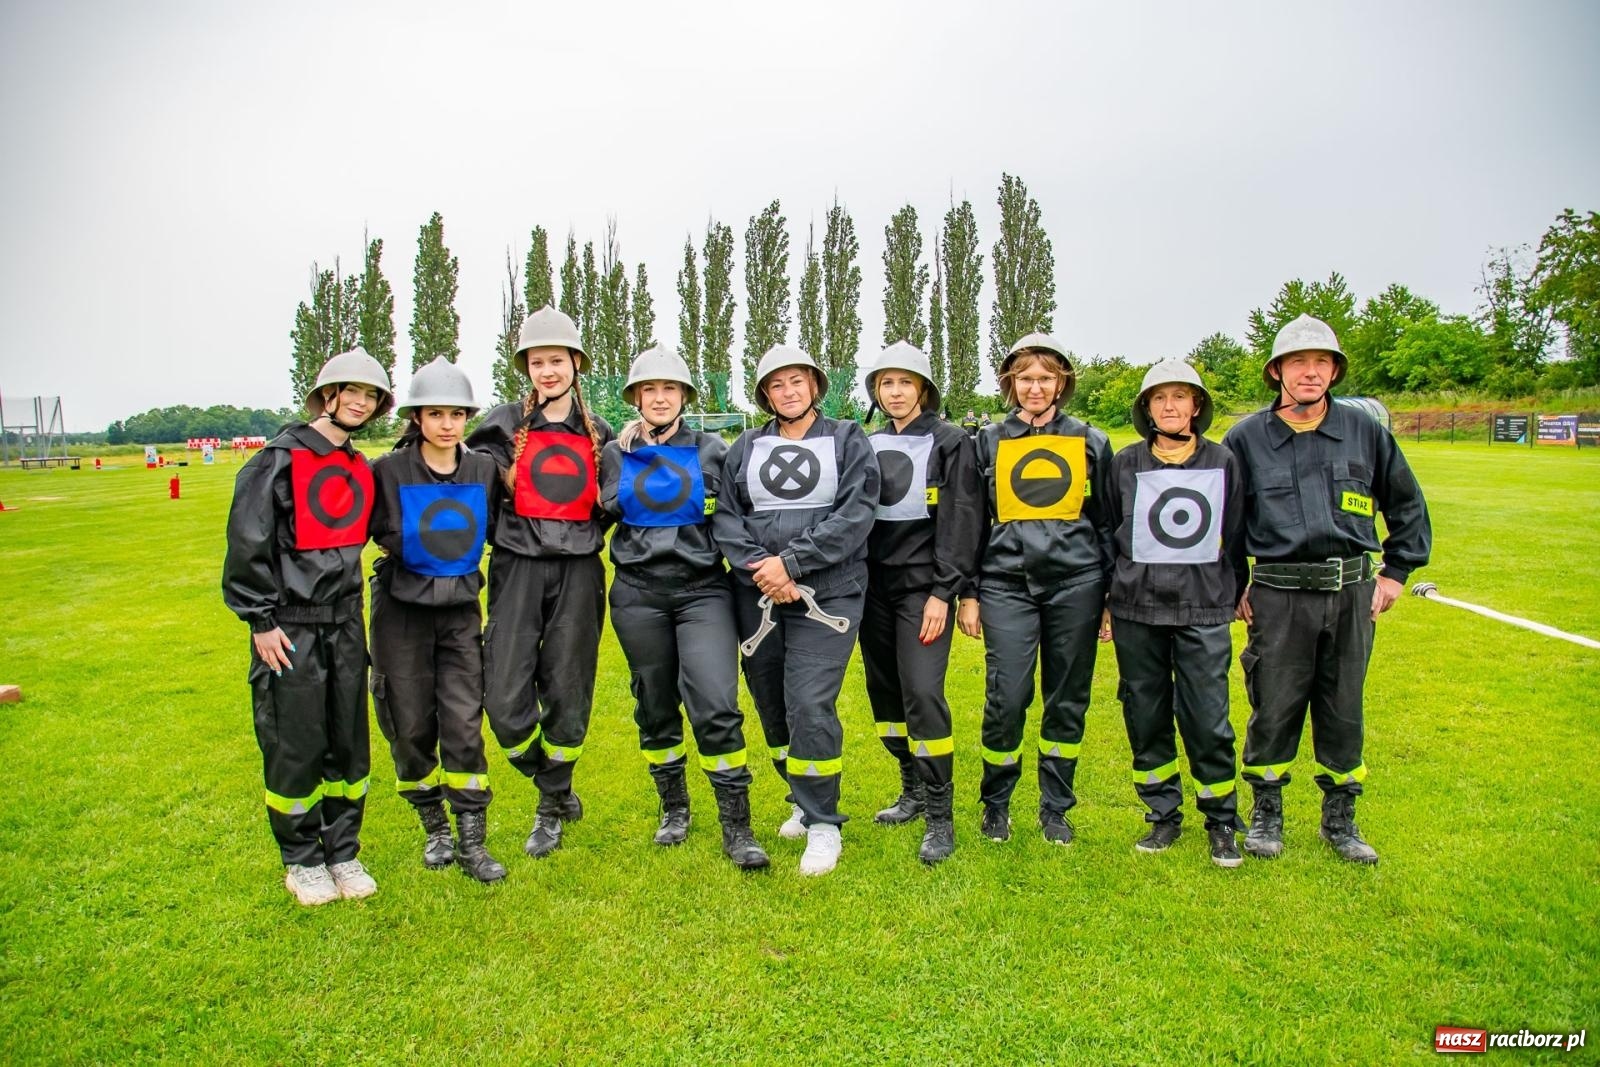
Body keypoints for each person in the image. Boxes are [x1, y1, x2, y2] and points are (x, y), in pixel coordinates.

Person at [1223, 314, 1431, 865]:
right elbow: (1225, 523)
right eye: (1299, 362)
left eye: (1321, 363)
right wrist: (1236, 585)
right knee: (1273, 705)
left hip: (1349, 595)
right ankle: (1267, 812)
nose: (1311, 372)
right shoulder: (1246, 439)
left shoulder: (1365, 431)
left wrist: (1395, 572)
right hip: (1278, 595)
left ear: (1334, 370)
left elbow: (1406, 504)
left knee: (1342, 707)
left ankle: (1340, 817)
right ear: (1278, 372)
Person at [222, 347, 392, 905]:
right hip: (289, 626)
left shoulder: (358, 467)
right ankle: (301, 859)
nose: (361, 403)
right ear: (328, 396)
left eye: (371, 396)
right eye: (353, 392)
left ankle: (342, 851)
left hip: (344, 624)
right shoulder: (276, 461)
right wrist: (261, 619)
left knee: (347, 741)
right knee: (295, 742)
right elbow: (249, 545)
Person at [599, 345, 769, 870]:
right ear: (635, 398)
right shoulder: (616, 452)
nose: (658, 397)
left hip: (702, 593)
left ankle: (737, 827)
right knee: (653, 705)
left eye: (668, 389)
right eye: (648, 390)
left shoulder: (714, 449)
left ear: (684, 397)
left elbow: (743, 515)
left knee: (716, 703)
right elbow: (600, 511)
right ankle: (674, 808)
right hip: (637, 593)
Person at [712, 345, 879, 876]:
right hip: (758, 593)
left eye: (797, 381)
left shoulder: (849, 439)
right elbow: (727, 519)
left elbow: (856, 514)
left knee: (810, 701)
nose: (788, 391)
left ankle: (824, 822)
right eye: (777, 384)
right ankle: (800, 801)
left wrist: (794, 563)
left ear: (814, 385)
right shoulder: (746, 446)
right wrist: (765, 567)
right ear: (765, 394)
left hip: (828, 593)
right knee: (770, 701)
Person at [465, 306, 614, 859]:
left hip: (578, 571)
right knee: (503, 700)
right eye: (537, 361)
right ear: (526, 367)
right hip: (516, 569)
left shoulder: (599, 433)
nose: (547, 371)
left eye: (556, 360)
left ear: (576, 363)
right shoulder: (502, 426)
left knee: (567, 688)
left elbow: (618, 501)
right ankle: (551, 778)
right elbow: (457, 481)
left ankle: (550, 807)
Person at [958, 333, 1113, 846]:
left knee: (1067, 698)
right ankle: (996, 804)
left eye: (1046, 378)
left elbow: (1108, 522)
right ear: (1009, 383)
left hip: (1078, 584)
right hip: (1005, 585)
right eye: (1025, 378)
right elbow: (972, 522)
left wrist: (1109, 595)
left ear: (1062, 382)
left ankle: (1055, 809)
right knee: (1008, 695)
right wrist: (971, 593)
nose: (1035, 388)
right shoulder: (987, 440)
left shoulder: (1091, 441)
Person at [1101, 359, 1246, 868]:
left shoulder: (1223, 461)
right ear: (1146, 408)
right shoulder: (1124, 463)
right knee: (1145, 715)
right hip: (1136, 608)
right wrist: (1106, 602)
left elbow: (1238, 534)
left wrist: (1236, 593)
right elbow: (1107, 533)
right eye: (1159, 398)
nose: (1169, 406)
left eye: (1180, 396)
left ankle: (1222, 820)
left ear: (1196, 406)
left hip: (1203, 607)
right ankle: (1162, 814)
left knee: (1208, 718)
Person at [366, 357, 506, 883]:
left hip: (460, 613)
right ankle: (435, 830)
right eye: (435, 413)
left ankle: (473, 841)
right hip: (400, 612)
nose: (447, 424)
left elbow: (499, 532)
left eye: (456, 413)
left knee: (464, 722)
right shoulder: (387, 472)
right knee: (409, 723)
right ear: (416, 418)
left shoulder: (483, 471)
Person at [859, 341, 982, 865]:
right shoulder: (865, 443)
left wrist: (944, 592)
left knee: (923, 694)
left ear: (924, 389)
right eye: (886, 383)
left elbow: (963, 520)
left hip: (922, 590)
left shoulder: (953, 442)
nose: (895, 392)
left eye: (905, 383)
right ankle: (909, 789)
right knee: (885, 695)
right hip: (871, 589)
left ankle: (939, 816)